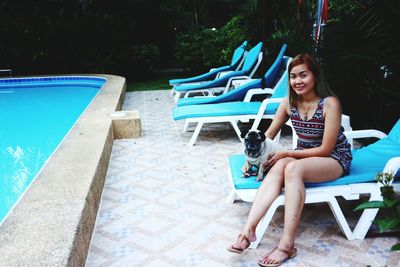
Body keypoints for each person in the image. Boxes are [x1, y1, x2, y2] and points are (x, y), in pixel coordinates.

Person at [227, 53, 352, 267]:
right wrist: (250, 157)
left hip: (333, 158)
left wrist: (287, 153)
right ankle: (248, 230)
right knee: (280, 166)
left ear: (315, 76)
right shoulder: (289, 103)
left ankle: (287, 244)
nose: (297, 81)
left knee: (291, 166)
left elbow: (325, 149)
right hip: (303, 157)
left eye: (303, 75)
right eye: (293, 76)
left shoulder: (329, 103)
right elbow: (266, 137)